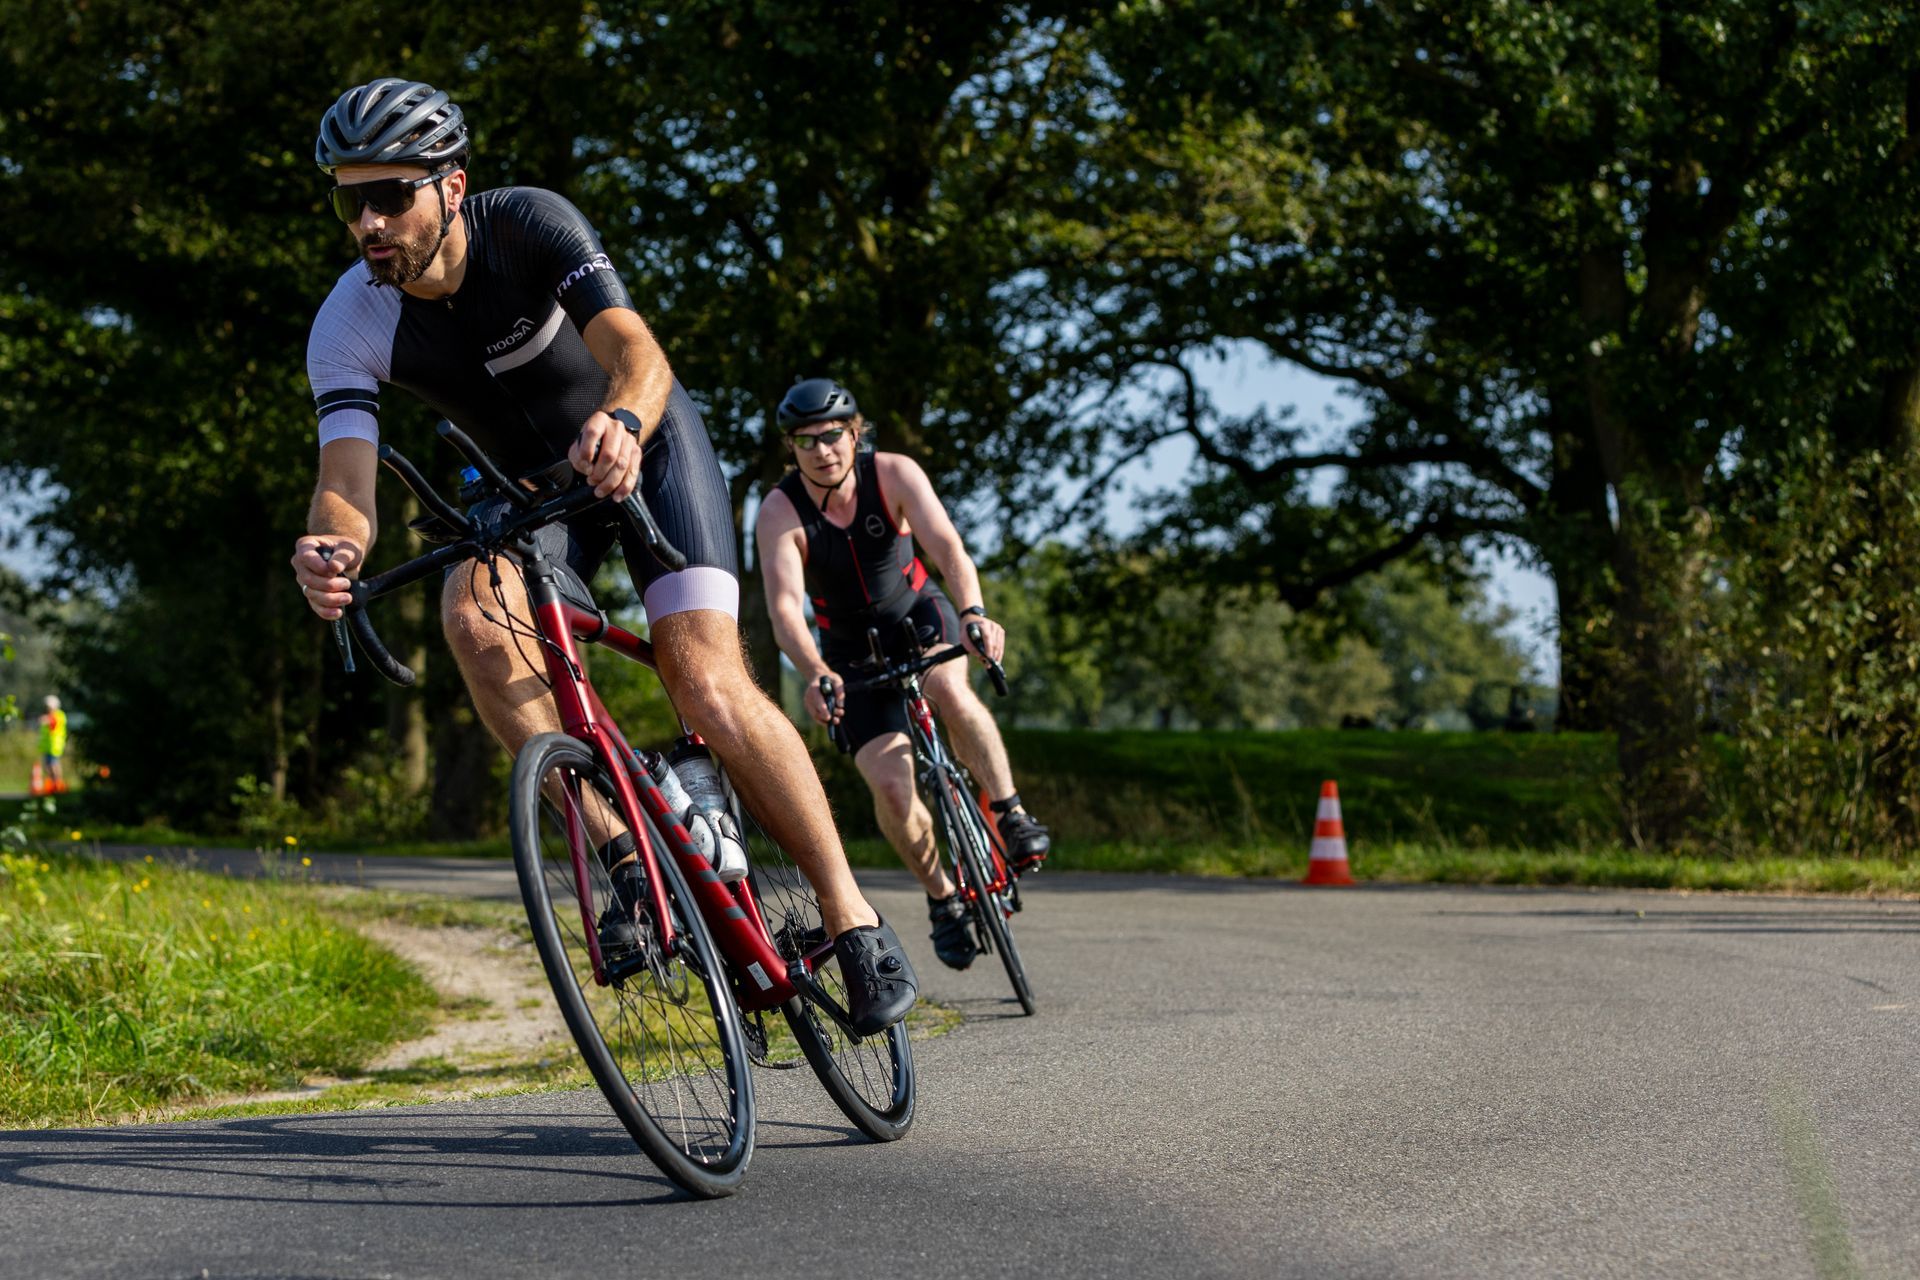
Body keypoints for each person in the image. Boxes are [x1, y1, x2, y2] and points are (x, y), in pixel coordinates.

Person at [289, 79, 914, 1034]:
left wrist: (623, 418)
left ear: (451, 186)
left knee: (704, 679)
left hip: (644, 445)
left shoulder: (530, 225)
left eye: (391, 195)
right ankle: (622, 849)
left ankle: (850, 913)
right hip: (529, 491)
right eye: (349, 200)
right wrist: (333, 544)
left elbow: (636, 350)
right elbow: (347, 480)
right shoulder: (349, 321)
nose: (368, 220)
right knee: (471, 612)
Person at [754, 378, 1051, 971]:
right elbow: (785, 608)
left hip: (919, 616)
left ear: (854, 433)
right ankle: (943, 897)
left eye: (833, 435)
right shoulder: (779, 511)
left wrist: (973, 613)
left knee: (950, 691)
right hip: (849, 656)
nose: (822, 450)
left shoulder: (893, 473)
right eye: (806, 441)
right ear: (791, 448)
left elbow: (948, 548)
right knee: (891, 785)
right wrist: (813, 672)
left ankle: (1012, 813)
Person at [38, 695, 67, 793]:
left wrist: (47, 720)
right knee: (48, 766)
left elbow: (53, 722)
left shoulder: (59, 715)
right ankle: (53, 785)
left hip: (55, 746)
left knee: (54, 765)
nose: (48, 709)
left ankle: (58, 784)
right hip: (48, 747)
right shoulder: (50, 715)